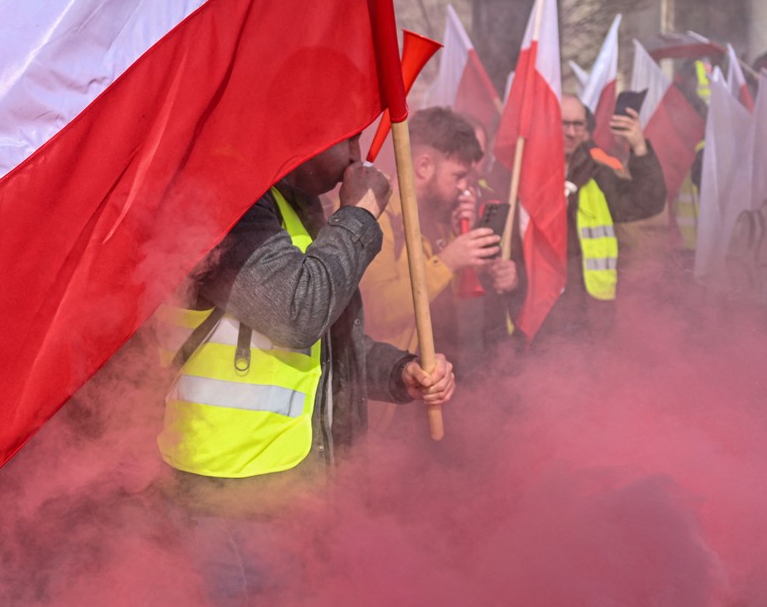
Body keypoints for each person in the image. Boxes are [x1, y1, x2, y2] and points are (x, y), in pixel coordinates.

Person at [156, 136, 455, 511]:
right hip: (220, 496)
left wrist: (400, 372)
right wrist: (359, 215)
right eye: (346, 139)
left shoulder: (300, 208)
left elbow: (327, 352)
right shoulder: (229, 200)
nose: (354, 156)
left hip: (293, 490)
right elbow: (297, 314)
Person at [488, 93, 667, 340]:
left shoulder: (596, 173)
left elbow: (647, 202)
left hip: (589, 315)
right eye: (564, 123)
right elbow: (492, 238)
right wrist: (504, 271)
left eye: (578, 124)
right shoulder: (517, 173)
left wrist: (639, 147)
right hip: (534, 313)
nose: (571, 132)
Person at [361, 107, 516, 360]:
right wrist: (448, 261)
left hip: (435, 380)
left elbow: (450, 302)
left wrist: (481, 267)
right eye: (458, 176)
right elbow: (375, 311)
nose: (464, 186)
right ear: (424, 166)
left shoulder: (436, 217)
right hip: (391, 386)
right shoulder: (373, 215)